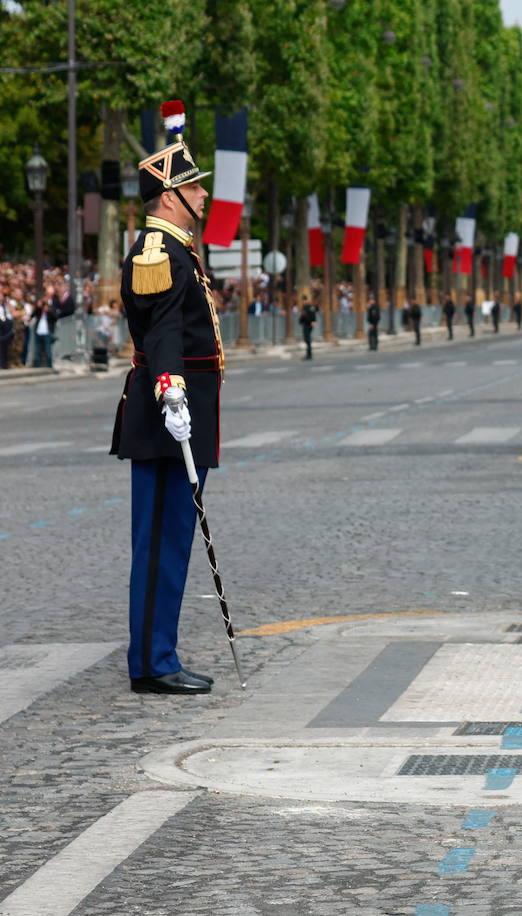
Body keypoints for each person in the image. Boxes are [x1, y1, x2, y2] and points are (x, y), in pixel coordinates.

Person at [109, 101, 224, 695]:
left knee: (172, 540)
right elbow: (161, 333)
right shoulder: (159, 254)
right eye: (195, 188)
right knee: (160, 542)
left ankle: (157, 653)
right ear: (171, 195)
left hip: (178, 416)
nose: (203, 197)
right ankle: (154, 662)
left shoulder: (178, 250)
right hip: (166, 419)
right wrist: (172, 391)